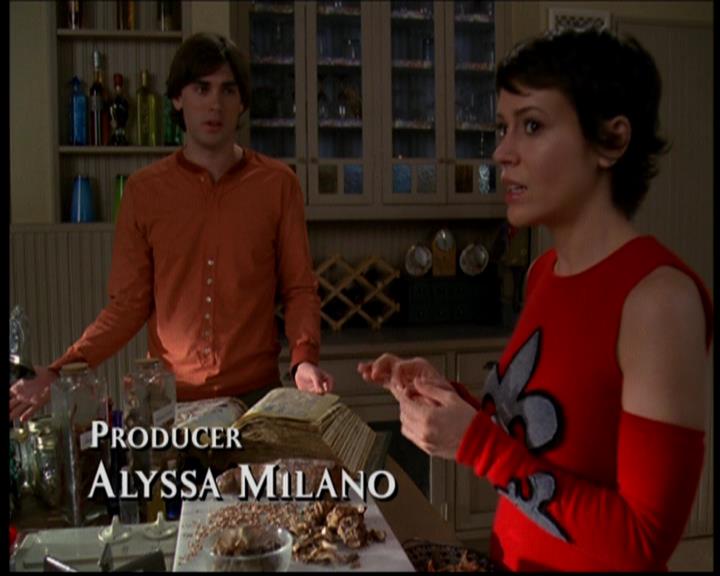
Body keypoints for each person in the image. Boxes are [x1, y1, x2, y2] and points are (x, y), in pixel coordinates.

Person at [359, 28, 713, 572]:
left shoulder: (659, 301)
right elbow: (540, 444)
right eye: (503, 128)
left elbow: (644, 542)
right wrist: (447, 399)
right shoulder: (544, 272)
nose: (502, 153)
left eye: (532, 125)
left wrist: (476, 445)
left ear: (611, 141)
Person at [10, 32, 334, 422]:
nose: (215, 104)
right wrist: (60, 371)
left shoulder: (278, 184)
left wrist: (304, 360)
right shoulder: (144, 191)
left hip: (255, 399)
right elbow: (127, 307)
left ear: (242, 102)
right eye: (201, 88)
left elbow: (299, 289)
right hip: (170, 403)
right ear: (178, 98)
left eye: (228, 90)